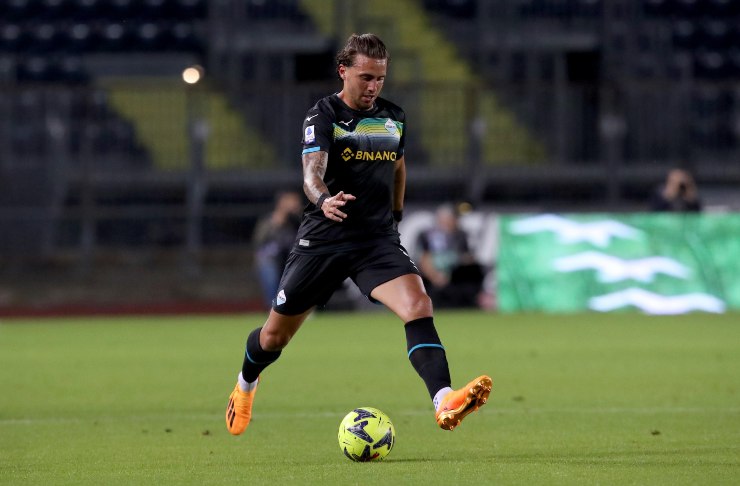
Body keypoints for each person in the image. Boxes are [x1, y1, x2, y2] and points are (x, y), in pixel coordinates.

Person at [226, 33, 491, 436]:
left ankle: (444, 399)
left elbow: (398, 166)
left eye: (380, 78)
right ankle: (245, 384)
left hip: (375, 240)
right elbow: (311, 174)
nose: (373, 86)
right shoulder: (323, 115)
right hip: (324, 240)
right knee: (274, 336)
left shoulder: (393, 117)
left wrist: (396, 213)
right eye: (366, 77)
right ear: (343, 71)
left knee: (418, 304)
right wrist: (323, 200)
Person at [417, 204, 484, 308]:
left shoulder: (461, 235)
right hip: (432, 276)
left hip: (455, 275)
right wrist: (435, 276)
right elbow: (424, 259)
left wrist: (456, 263)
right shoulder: (426, 235)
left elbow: (467, 257)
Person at [253, 191, 303, 308]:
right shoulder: (269, 221)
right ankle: (274, 308)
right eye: (292, 201)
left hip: (291, 259)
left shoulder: (297, 221)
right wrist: (275, 225)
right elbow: (258, 242)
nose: (295, 204)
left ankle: (300, 307)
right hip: (272, 259)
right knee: (268, 268)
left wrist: (299, 216)